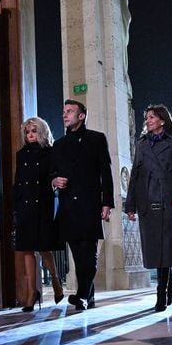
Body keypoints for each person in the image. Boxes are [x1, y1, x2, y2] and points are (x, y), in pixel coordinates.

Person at [125, 104, 172, 312]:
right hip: (146, 198)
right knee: (155, 247)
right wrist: (131, 204)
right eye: (146, 117)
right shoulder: (141, 144)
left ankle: (161, 293)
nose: (147, 121)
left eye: (151, 117)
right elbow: (134, 175)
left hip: (168, 199)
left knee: (167, 245)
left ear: (162, 120)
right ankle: (169, 284)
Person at [51, 100, 114, 310]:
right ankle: (88, 296)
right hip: (68, 206)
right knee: (78, 256)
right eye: (63, 111)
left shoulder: (96, 139)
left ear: (81, 116)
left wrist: (107, 203)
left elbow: (106, 172)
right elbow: (51, 172)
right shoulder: (58, 145)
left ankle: (82, 294)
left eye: (70, 111)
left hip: (90, 204)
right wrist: (54, 181)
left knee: (89, 252)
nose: (65, 115)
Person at [13, 117, 64, 312]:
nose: (30, 134)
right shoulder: (21, 155)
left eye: (34, 130)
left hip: (42, 203)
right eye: (27, 131)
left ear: (41, 132)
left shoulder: (50, 153)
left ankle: (56, 280)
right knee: (27, 249)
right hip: (25, 205)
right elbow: (18, 181)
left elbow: (53, 174)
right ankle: (31, 292)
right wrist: (15, 206)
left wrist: (52, 182)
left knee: (44, 248)